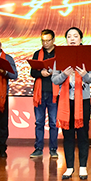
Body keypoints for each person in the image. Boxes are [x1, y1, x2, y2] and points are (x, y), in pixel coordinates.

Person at [52, 27, 91, 181]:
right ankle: (69, 167)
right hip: (65, 101)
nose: (72, 39)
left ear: (80, 39)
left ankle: (83, 167)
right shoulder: (60, 56)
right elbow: (54, 79)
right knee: (68, 135)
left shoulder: (88, 55)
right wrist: (64, 74)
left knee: (83, 134)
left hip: (83, 101)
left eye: (75, 36)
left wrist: (85, 75)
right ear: (66, 40)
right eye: (69, 36)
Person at [29, 29, 59, 159]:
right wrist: (40, 73)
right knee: (39, 122)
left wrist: (54, 72)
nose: (45, 43)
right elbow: (32, 72)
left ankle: (53, 149)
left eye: (48, 40)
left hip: (54, 93)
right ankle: (38, 148)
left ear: (53, 40)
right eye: (43, 41)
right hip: (40, 93)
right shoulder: (37, 54)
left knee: (53, 123)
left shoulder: (59, 53)